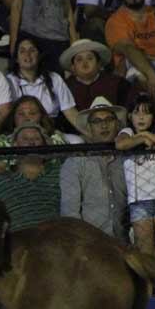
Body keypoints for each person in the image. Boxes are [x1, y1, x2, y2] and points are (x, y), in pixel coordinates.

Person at [116, 93, 155, 261]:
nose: (141, 117)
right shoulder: (127, 131)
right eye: (137, 112)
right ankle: (149, 288)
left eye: (146, 113)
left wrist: (149, 136)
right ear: (130, 116)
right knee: (146, 255)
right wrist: (141, 137)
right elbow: (121, 144)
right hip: (139, 202)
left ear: (153, 116)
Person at [60, 96, 128, 240]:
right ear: (89, 128)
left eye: (109, 120)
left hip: (124, 240)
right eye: (97, 121)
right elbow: (70, 212)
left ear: (117, 125)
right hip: (90, 243)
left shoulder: (128, 160)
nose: (104, 125)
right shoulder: (76, 162)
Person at [103, 0, 155, 100]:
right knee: (137, 72)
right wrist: (151, 74)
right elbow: (128, 49)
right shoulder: (115, 21)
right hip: (137, 69)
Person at [0, 121, 64, 231]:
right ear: (15, 144)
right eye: (25, 139)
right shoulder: (0, 181)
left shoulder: (61, 174)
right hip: (18, 242)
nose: (31, 143)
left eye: (37, 139)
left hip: (58, 238)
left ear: (44, 144)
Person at [4, 36, 84, 132]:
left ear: (39, 55)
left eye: (32, 50)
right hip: (20, 133)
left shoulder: (54, 78)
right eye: (22, 51)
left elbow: (70, 112)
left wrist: (90, 136)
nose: (27, 54)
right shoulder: (8, 81)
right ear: (16, 59)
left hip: (51, 132)